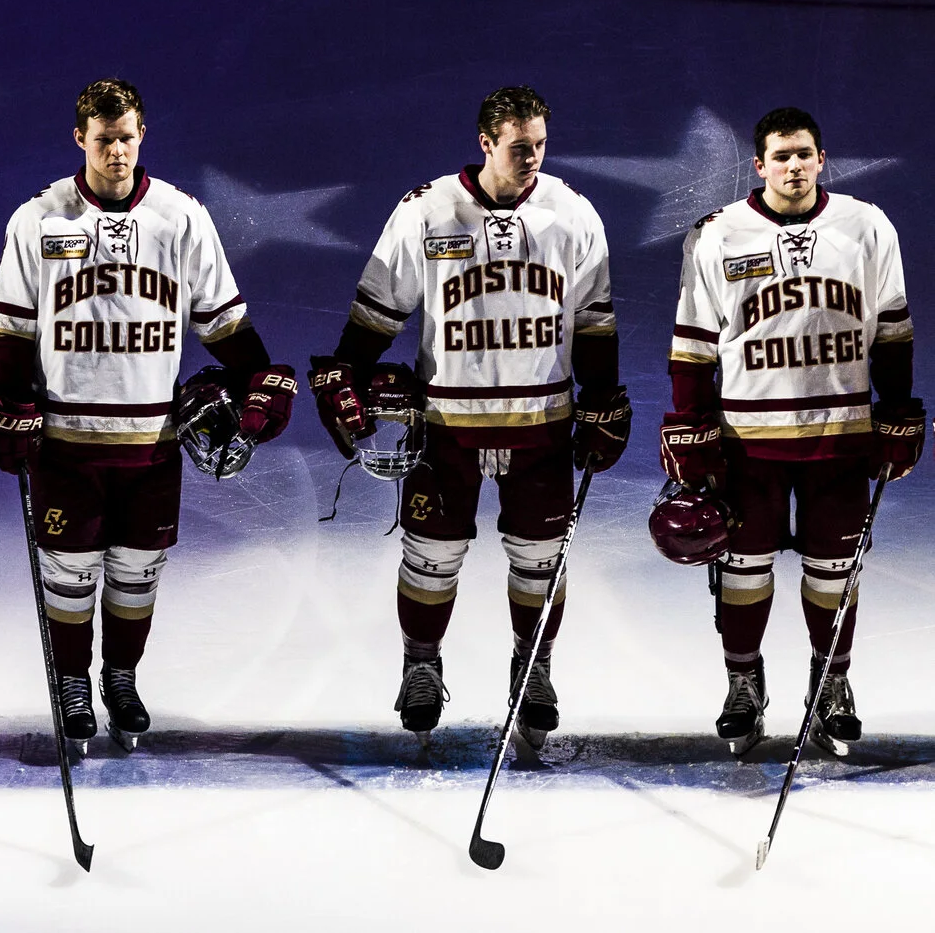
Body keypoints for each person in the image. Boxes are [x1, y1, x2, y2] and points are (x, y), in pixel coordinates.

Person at [0, 78, 293, 753]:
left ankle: (119, 678)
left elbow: (223, 323)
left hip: (151, 438)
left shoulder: (182, 218)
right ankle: (71, 683)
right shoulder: (38, 219)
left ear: (142, 134)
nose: (117, 151)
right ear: (80, 139)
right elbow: (7, 329)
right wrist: (12, 396)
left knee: (136, 569)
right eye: (103, 140)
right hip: (67, 438)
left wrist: (260, 376)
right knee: (69, 570)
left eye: (126, 137)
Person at [309, 85, 624, 749]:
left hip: (541, 421)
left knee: (541, 561)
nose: (532, 155)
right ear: (485, 142)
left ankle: (532, 665)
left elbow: (594, 317)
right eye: (518, 145)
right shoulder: (427, 209)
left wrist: (605, 393)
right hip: (448, 425)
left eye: (540, 142)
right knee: (430, 557)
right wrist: (347, 368)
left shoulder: (572, 213)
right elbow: (378, 311)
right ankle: (421, 663)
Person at [664, 106, 919, 755]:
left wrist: (896, 405)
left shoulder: (866, 228)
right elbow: (693, 343)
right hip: (749, 441)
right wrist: (690, 423)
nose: (794, 165)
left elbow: (890, 328)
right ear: (759, 164)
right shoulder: (718, 233)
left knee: (834, 570)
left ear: (821, 157)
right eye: (781, 155)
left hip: (841, 434)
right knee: (743, 569)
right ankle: (744, 684)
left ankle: (831, 683)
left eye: (804, 153)